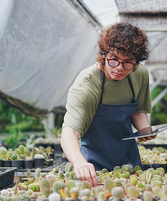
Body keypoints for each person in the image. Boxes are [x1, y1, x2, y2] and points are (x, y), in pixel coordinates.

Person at [61, 22, 156, 187]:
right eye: (114, 60)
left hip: (129, 161)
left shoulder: (140, 74)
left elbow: (138, 109)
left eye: (128, 62)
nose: (119, 68)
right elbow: (70, 131)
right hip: (93, 164)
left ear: (136, 62)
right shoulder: (87, 84)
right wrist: (78, 162)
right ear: (103, 55)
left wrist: (144, 128)